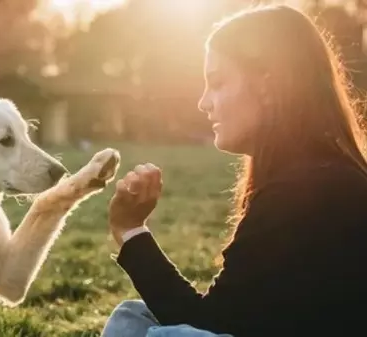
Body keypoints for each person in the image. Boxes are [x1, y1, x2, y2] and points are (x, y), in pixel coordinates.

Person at [101, 4, 367, 337]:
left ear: (268, 85)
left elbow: (210, 323)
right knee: (133, 317)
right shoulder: (319, 174)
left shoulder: (304, 191)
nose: (204, 102)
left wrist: (130, 231)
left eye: (218, 82)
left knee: (163, 334)